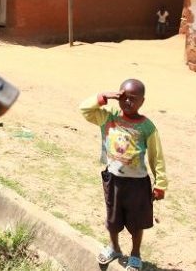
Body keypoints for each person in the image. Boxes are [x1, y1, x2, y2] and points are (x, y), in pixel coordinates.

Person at [79, 79, 167, 271]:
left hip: (137, 184)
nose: (127, 102)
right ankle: (114, 247)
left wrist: (160, 184)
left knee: (137, 221)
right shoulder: (108, 117)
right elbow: (84, 109)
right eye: (124, 97)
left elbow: (156, 156)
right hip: (113, 179)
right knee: (112, 218)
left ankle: (135, 253)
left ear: (142, 102)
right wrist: (104, 96)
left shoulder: (147, 127)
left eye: (133, 99)